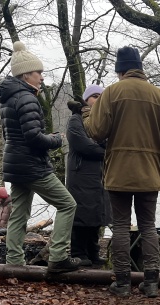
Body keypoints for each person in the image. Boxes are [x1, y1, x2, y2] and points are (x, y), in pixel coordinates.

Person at [84, 46, 160, 297]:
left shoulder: (111, 93)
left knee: (121, 226)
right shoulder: (158, 95)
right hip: (149, 172)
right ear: (139, 69)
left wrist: (86, 113)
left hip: (119, 172)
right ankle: (152, 283)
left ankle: (123, 283)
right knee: (148, 226)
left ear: (120, 70)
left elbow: (95, 132)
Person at [0, 41, 81, 274]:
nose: (41, 77)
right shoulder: (26, 98)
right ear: (26, 75)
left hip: (15, 162)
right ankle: (59, 257)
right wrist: (56, 139)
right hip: (31, 165)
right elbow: (33, 138)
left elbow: (13, 135)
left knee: (19, 214)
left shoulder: (8, 98)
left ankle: (13, 262)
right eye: (38, 73)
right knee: (68, 204)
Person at [65, 85, 110, 267]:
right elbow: (84, 146)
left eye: (101, 96)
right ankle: (78, 252)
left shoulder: (103, 120)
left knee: (96, 215)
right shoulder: (75, 120)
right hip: (81, 174)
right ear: (86, 99)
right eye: (94, 96)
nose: (98, 99)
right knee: (81, 215)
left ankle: (93, 252)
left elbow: (109, 141)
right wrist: (106, 152)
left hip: (99, 174)